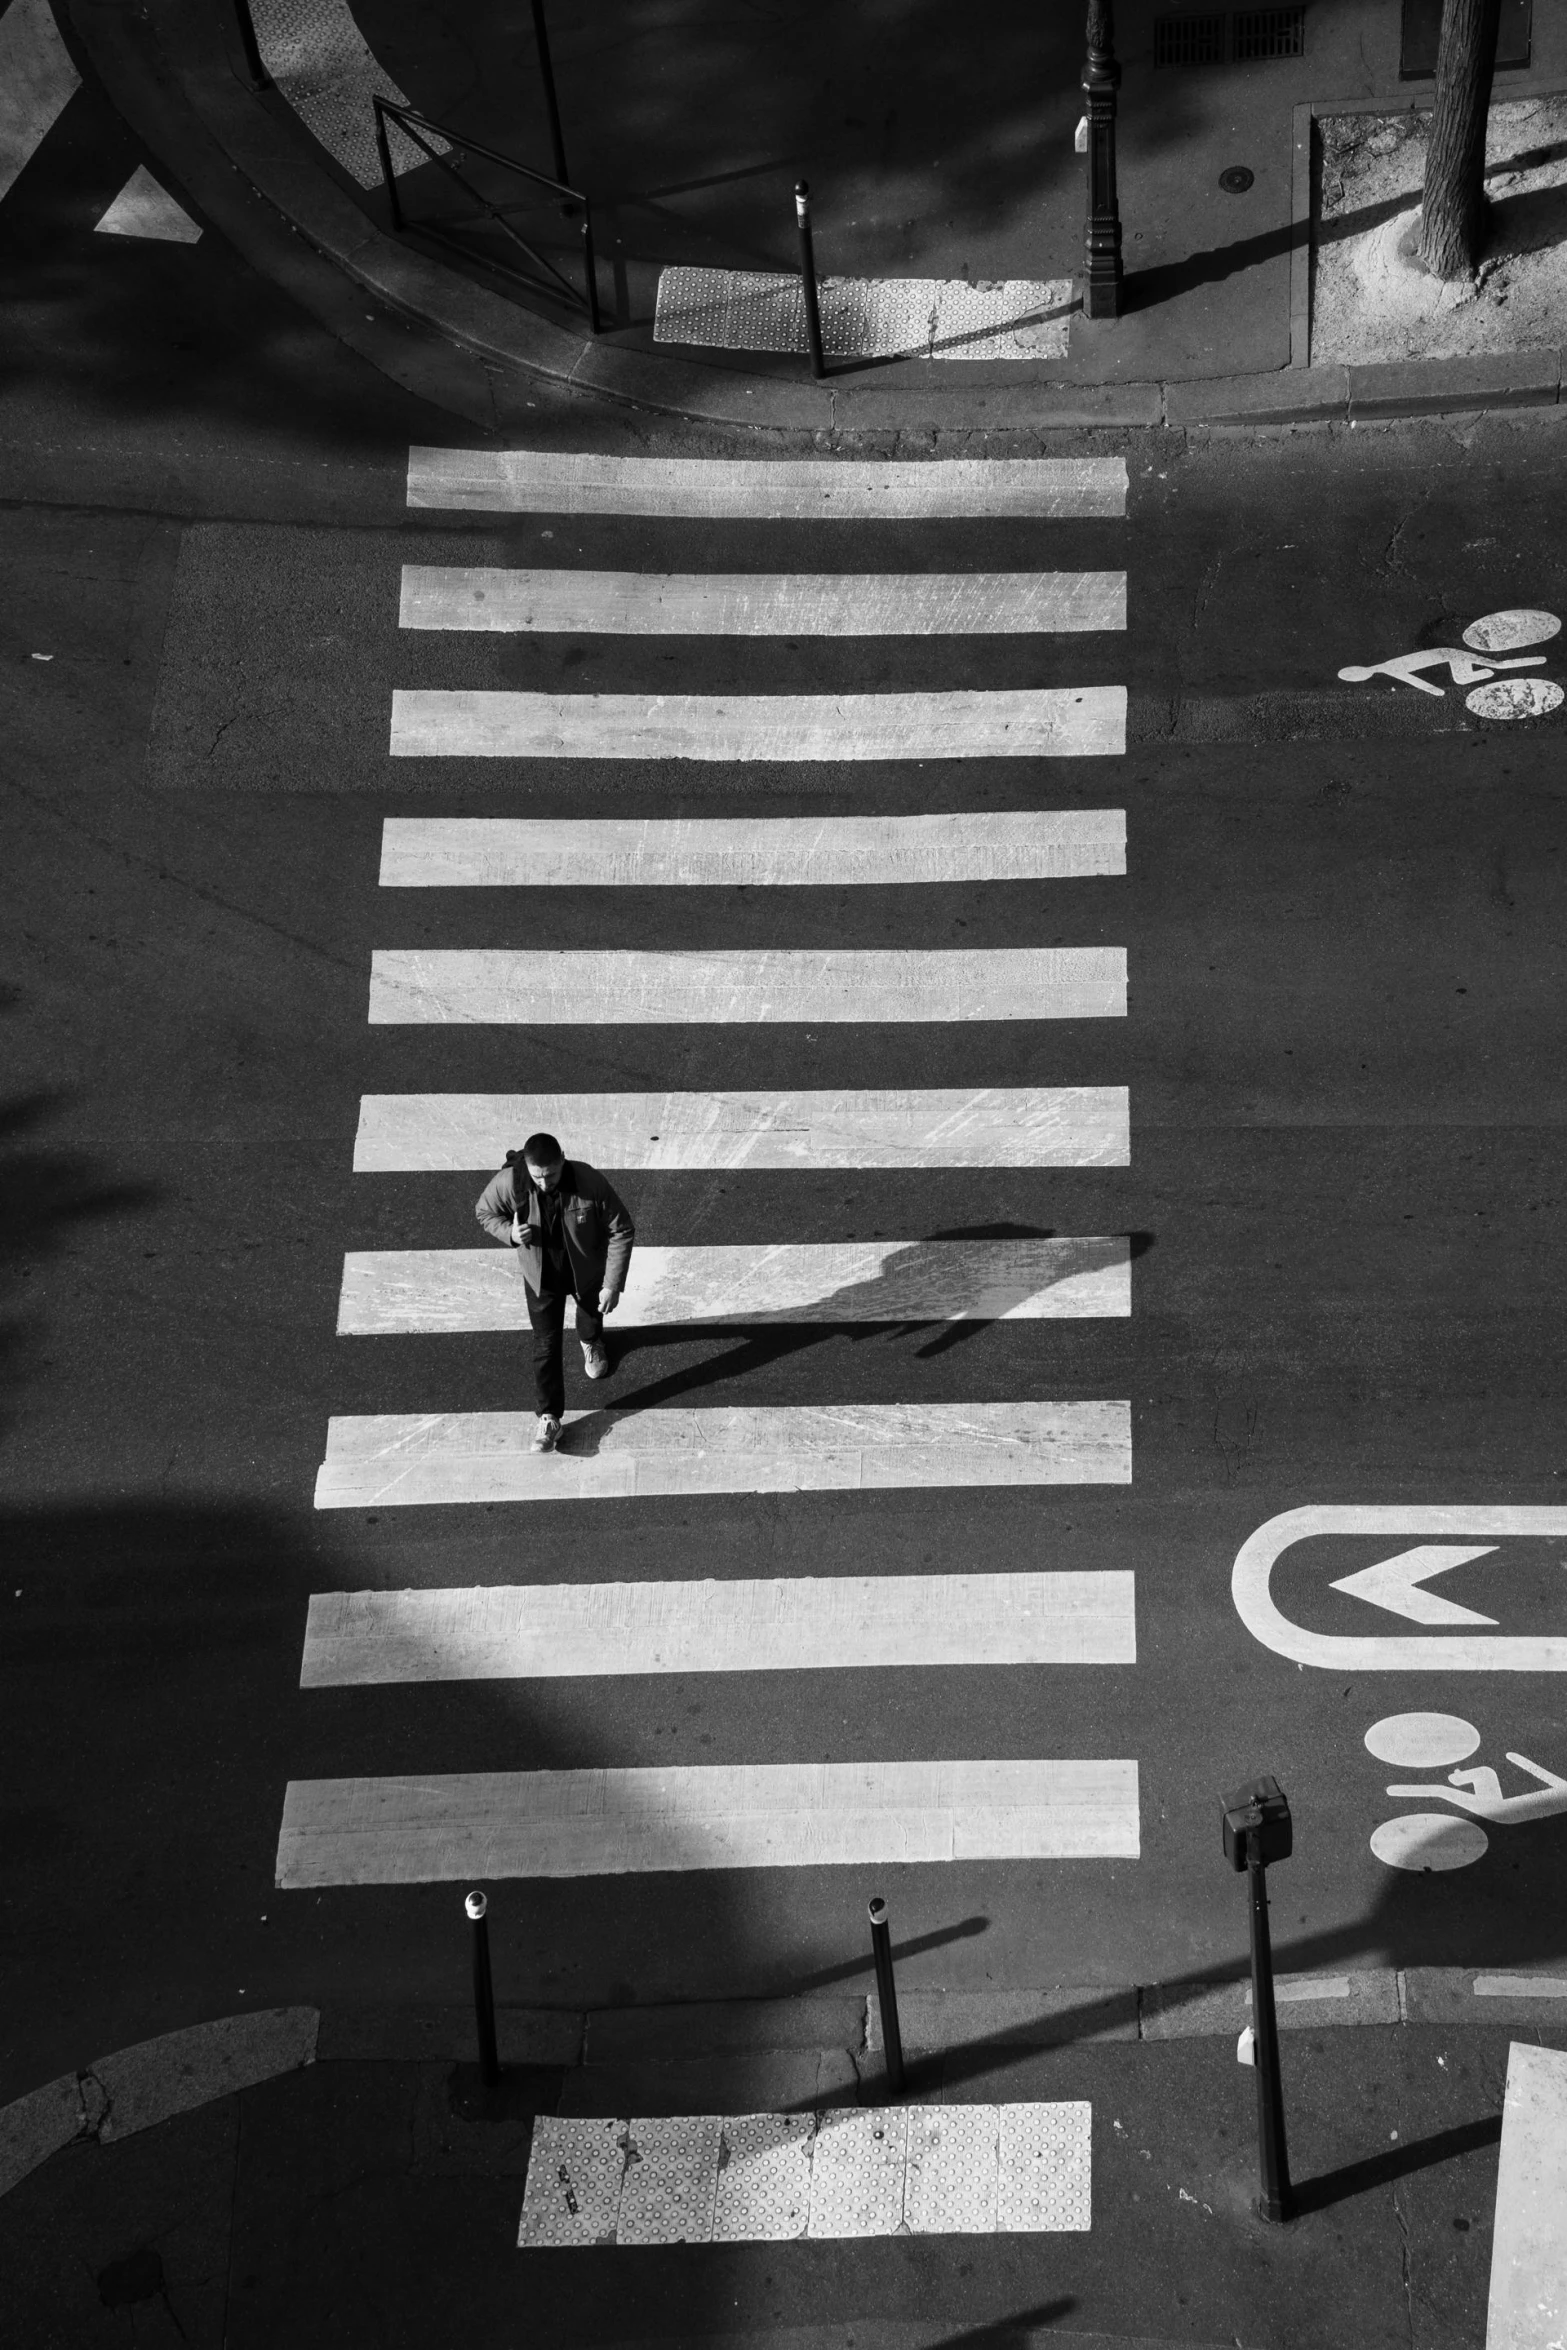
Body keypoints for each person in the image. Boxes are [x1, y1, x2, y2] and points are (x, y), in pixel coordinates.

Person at [475, 1132, 634, 1454]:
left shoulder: (589, 1181)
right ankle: (549, 1417)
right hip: (540, 1277)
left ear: (563, 1159)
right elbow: (485, 1212)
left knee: (591, 1316)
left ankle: (590, 1341)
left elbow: (621, 1228)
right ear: (528, 1169)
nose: (545, 1183)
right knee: (545, 1345)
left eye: (551, 1175)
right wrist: (510, 1234)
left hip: (585, 1273)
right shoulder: (511, 1182)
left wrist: (612, 1284)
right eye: (537, 1177)